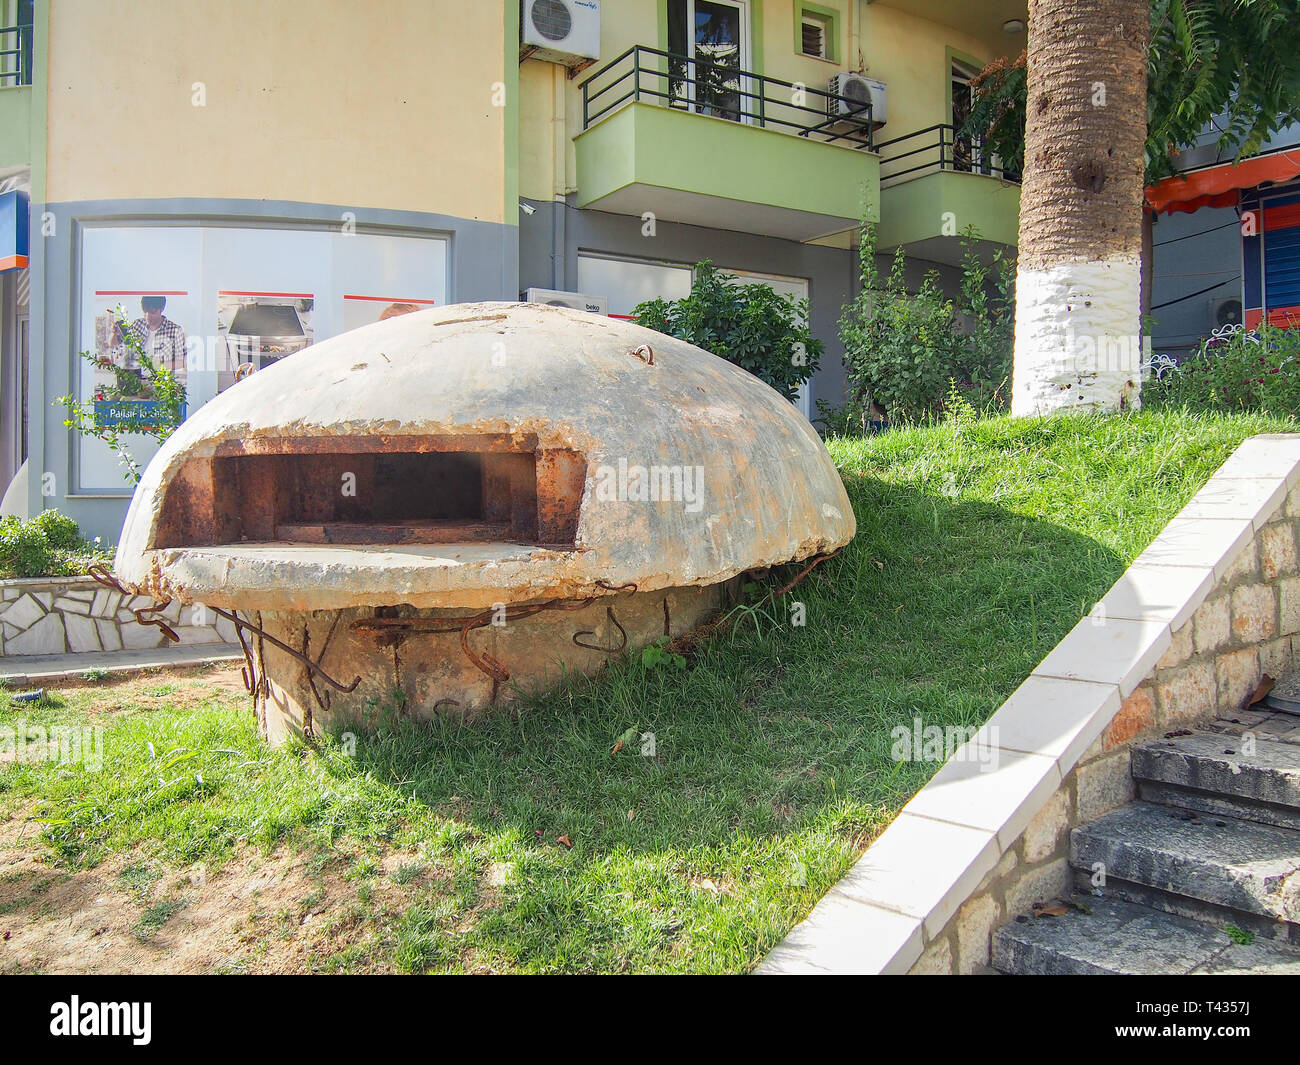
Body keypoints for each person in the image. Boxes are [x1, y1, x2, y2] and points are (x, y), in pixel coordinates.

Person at [127, 295, 188, 376]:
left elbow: (183, 362)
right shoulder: (136, 324)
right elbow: (116, 344)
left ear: (162, 309)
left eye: (153, 311)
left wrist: (160, 366)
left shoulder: (175, 330)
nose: (148, 316)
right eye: (145, 311)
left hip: (161, 384)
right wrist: (115, 333)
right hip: (136, 381)